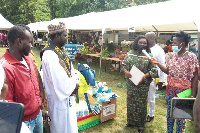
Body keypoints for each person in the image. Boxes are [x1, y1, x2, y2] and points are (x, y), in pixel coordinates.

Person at [150, 31, 198, 133]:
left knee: (181, 117)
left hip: (183, 93)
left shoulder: (191, 57)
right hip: (170, 91)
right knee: (170, 115)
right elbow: (168, 71)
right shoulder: (171, 56)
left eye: (175, 43)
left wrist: (193, 94)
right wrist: (157, 63)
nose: (173, 45)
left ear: (183, 44)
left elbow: (195, 76)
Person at [0, 25, 43, 133]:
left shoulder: (28, 58)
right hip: (23, 123)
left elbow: (34, 84)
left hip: (37, 115)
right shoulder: (5, 68)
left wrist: (39, 105)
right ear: (19, 42)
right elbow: (6, 103)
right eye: (30, 42)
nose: (32, 45)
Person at [41, 22, 79, 133]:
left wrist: (75, 78)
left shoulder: (59, 50)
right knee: (61, 129)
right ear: (57, 36)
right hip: (59, 99)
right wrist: (74, 84)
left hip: (66, 97)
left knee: (69, 127)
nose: (67, 38)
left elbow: (70, 70)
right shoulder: (50, 54)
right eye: (65, 35)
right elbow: (60, 80)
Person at [121, 35, 158, 133]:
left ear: (147, 45)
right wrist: (126, 72)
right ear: (136, 43)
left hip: (142, 84)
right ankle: (131, 121)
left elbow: (154, 70)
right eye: (140, 42)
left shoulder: (149, 55)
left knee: (141, 105)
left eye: (144, 43)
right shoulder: (130, 53)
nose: (142, 44)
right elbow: (123, 65)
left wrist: (144, 76)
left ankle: (141, 125)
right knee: (131, 103)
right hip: (131, 83)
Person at [145, 32, 166, 122]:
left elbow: (162, 64)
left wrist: (161, 80)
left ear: (153, 38)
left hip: (154, 77)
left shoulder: (158, 50)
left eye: (147, 39)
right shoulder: (145, 49)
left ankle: (151, 114)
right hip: (145, 76)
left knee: (151, 97)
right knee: (144, 97)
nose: (145, 41)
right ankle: (143, 113)